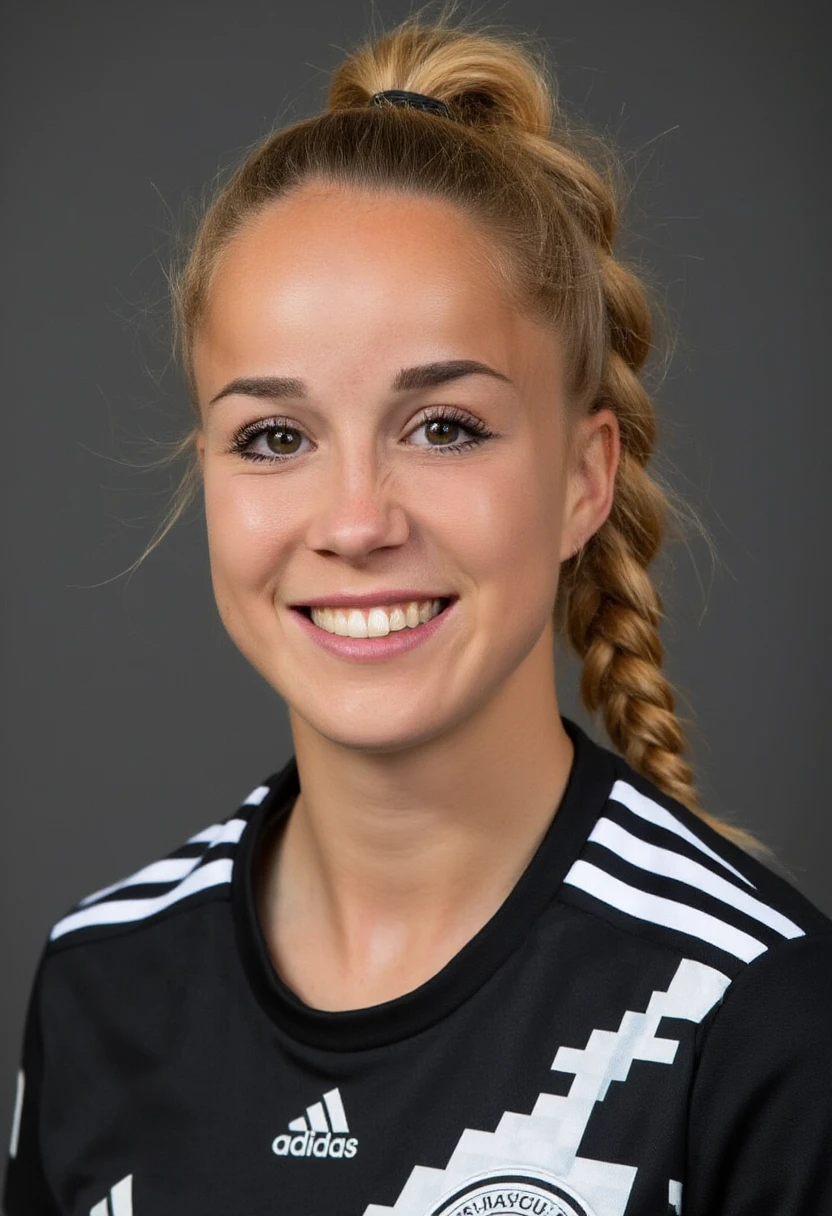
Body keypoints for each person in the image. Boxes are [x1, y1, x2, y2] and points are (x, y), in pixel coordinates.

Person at [4, 12, 831, 1216]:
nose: (354, 521)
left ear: (582, 478)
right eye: (274, 437)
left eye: (444, 426)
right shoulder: (100, 983)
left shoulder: (760, 1020)